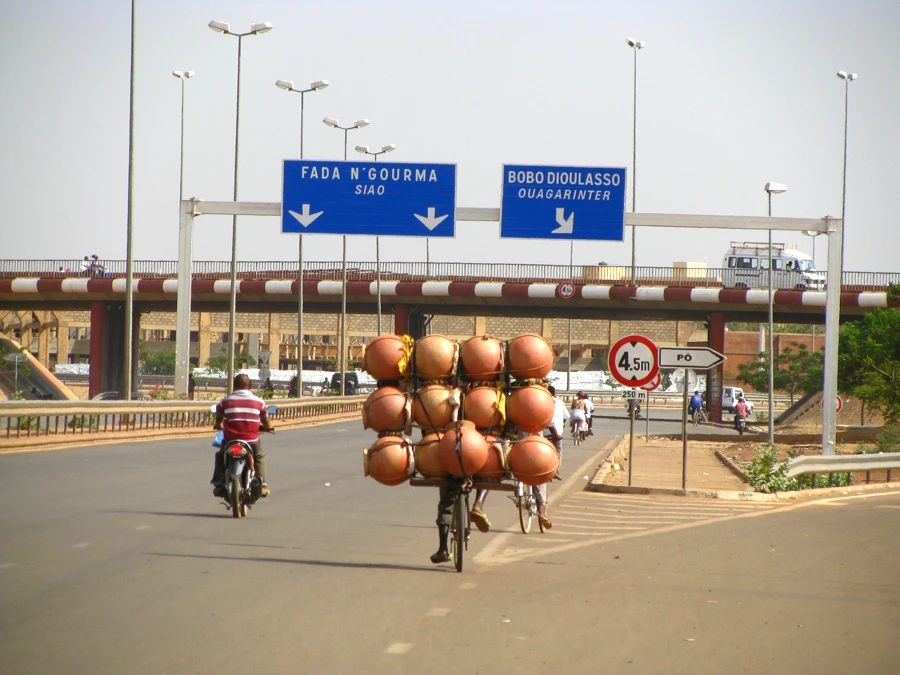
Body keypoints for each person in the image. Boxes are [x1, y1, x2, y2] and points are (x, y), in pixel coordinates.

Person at [211, 373, 273, 498]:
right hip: (251, 440)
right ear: (249, 385)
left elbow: (218, 416)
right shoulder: (259, 402)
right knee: (259, 456)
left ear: (234, 386)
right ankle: (263, 485)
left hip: (230, 440)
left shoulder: (225, 401)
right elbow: (265, 420)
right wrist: (268, 427)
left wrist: (218, 425)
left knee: (220, 456)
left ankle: (219, 484)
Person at [536, 385, 569, 530]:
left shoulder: (513, 402)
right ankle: (542, 513)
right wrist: (557, 436)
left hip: (515, 447)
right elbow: (550, 424)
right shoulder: (541, 406)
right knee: (539, 480)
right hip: (535, 447)